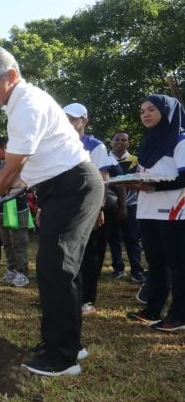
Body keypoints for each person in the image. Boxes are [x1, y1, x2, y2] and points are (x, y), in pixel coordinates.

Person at [0, 46, 103, 377]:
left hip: (74, 185)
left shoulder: (26, 105)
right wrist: (32, 190)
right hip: (59, 188)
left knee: (56, 268)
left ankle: (62, 357)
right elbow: (24, 170)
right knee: (60, 267)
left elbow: (8, 171)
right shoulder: (19, 104)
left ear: (11, 76)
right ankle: (68, 342)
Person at [120, 95, 185, 332]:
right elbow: (143, 175)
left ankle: (179, 315)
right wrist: (132, 183)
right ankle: (152, 309)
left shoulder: (180, 140)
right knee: (155, 262)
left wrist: (155, 186)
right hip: (147, 210)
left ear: (166, 112)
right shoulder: (147, 143)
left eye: (151, 110)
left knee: (177, 264)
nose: (145, 114)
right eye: (142, 111)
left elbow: (184, 176)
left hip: (174, 211)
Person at [63, 102, 124, 316]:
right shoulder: (58, 145)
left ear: (84, 121)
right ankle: (66, 296)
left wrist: (99, 209)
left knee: (90, 254)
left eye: (73, 119)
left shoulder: (95, 146)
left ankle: (87, 299)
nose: (68, 123)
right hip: (66, 207)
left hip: (90, 207)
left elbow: (103, 179)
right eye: (65, 119)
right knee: (67, 254)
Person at [0, 136, 31, 287]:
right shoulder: (3, 165)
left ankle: (22, 273)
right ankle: (11, 270)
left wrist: (6, 186)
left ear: (6, 147)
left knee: (19, 242)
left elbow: (17, 183)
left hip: (17, 207)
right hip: (2, 208)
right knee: (6, 242)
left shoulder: (21, 161)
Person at [107, 130, 146, 283]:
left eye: (124, 140)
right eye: (117, 139)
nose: (120, 142)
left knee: (132, 238)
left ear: (128, 143)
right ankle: (118, 269)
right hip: (111, 206)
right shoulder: (105, 160)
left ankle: (137, 270)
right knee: (113, 238)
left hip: (131, 205)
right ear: (111, 141)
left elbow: (141, 181)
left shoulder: (136, 161)